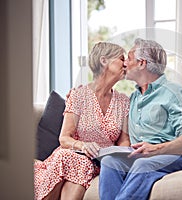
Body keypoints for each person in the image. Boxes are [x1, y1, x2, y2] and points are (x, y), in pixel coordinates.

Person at [99, 38, 182, 200]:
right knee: (110, 162)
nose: (125, 64)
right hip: (140, 156)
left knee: (142, 165)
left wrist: (156, 149)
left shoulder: (175, 93)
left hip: (175, 156)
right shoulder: (133, 98)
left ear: (141, 63)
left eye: (129, 58)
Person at [34, 41, 130, 200]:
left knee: (84, 164)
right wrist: (83, 146)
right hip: (73, 155)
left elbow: (124, 141)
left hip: (99, 163)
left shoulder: (123, 101)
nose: (126, 63)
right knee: (74, 160)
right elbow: (64, 138)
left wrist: (115, 155)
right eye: (121, 58)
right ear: (104, 61)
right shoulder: (79, 96)